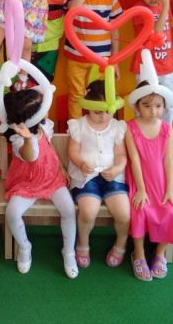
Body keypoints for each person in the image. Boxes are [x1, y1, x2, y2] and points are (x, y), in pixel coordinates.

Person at [1, 88, 78, 278]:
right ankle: (24, 247)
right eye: (42, 107)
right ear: (31, 117)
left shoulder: (46, 126)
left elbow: (49, 147)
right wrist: (28, 138)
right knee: (12, 213)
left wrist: (60, 166)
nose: (47, 109)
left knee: (69, 210)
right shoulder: (18, 138)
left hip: (51, 177)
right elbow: (31, 156)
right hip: (27, 182)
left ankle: (69, 252)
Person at [125, 80, 173, 282]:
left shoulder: (167, 128)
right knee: (139, 209)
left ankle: (160, 253)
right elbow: (134, 160)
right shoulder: (130, 128)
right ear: (137, 106)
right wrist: (141, 190)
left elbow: (168, 161)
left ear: (164, 106)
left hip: (163, 178)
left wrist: (169, 189)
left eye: (158, 106)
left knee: (169, 208)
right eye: (147, 105)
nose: (153, 111)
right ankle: (138, 253)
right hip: (140, 178)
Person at [67, 80, 130, 269]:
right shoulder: (79, 125)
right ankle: (83, 243)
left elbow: (121, 155)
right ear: (87, 107)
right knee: (88, 211)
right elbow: (73, 151)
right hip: (86, 178)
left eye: (107, 111)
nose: (103, 117)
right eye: (97, 112)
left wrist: (118, 168)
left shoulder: (117, 127)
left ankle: (121, 244)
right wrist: (80, 163)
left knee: (124, 213)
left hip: (113, 177)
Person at [63, 0, 122, 119]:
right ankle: (75, 127)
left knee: (101, 95)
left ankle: (101, 125)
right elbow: (73, 11)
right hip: (76, 59)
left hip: (101, 61)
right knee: (76, 96)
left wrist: (115, 61)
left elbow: (115, 31)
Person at [131, 0, 173, 126]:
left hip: (166, 65)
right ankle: (141, 132)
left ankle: (166, 132)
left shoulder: (163, 4)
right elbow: (156, 31)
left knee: (169, 102)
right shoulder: (140, 9)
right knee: (143, 102)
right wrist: (166, 5)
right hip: (146, 66)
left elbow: (168, 23)